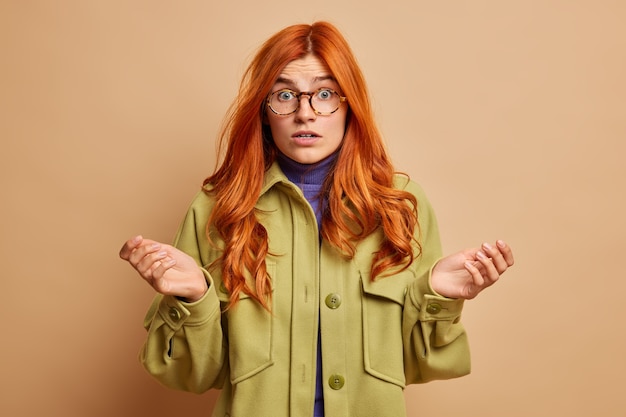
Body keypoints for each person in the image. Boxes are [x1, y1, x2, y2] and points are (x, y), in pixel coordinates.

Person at [119, 21, 514, 417]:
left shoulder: (402, 205)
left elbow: (418, 366)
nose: (305, 113)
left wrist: (437, 296)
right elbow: (193, 376)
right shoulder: (216, 209)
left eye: (325, 94)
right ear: (263, 110)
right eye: (285, 95)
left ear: (349, 104)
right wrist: (193, 299)